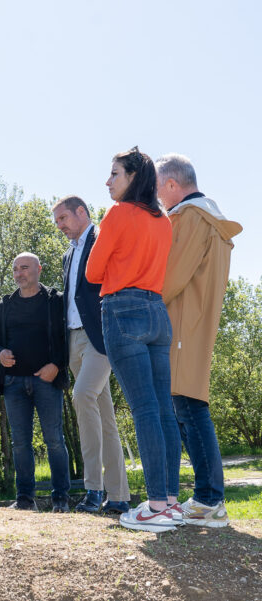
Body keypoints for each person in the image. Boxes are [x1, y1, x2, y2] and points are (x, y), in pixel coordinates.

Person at [87, 147, 180, 533]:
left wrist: (114, 262)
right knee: (162, 409)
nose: (108, 181)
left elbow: (93, 271)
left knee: (144, 410)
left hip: (123, 310)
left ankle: (155, 506)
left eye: (114, 174)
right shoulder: (164, 221)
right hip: (158, 312)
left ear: (132, 178)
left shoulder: (118, 213)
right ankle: (170, 502)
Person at [156, 153, 242, 528]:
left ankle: (209, 499)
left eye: (158, 187)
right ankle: (208, 498)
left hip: (181, 326)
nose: (156, 196)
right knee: (188, 407)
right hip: (193, 323)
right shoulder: (208, 217)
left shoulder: (191, 217)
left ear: (173, 184)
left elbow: (169, 278)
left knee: (189, 407)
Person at [53, 196, 131, 514]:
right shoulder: (68, 254)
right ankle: (120, 495)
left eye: (63, 219)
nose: (60, 226)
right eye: (57, 221)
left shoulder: (101, 239)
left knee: (82, 396)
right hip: (73, 339)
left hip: (99, 336)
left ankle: (93, 490)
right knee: (106, 419)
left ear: (81, 213)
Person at [0, 252, 71, 513]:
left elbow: (67, 339)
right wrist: (0, 354)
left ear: (39, 269)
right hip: (13, 383)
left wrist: (56, 366)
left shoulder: (55, 301)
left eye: (24, 268)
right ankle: (25, 500)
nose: (19, 273)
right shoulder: (6, 304)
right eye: (15, 269)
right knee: (20, 442)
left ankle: (61, 501)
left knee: (54, 440)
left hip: (46, 381)